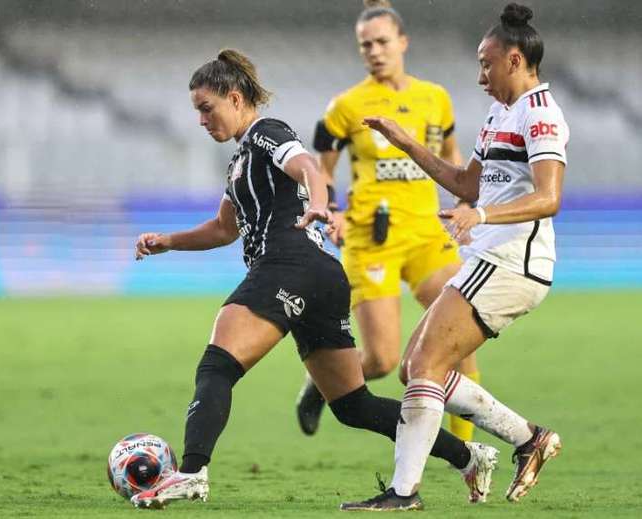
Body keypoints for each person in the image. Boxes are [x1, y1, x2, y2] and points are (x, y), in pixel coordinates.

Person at [130, 49, 498, 510]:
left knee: (217, 366)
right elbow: (224, 228)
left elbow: (306, 165)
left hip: (289, 264)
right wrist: (168, 241)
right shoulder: (239, 162)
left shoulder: (267, 132)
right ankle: (470, 457)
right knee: (353, 406)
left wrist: (320, 201)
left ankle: (191, 472)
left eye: (207, 108)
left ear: (235, 97)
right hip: (322, 277)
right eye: (197, 112)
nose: (202, 120)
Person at [341, 3, 567, 511]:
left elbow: (550, 197)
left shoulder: (541, 114)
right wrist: (405, 144)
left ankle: (405, 493)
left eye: (486, 63)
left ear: (514, 59)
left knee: (423, 363)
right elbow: (467, 183)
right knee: (412, 369)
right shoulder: (498, 114)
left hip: (514, 264)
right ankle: (529, 438)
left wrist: (481, 216)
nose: (480, 74)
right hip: (490, 259)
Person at [296, 0, 480, 443]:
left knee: (461, 341)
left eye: (382, 42)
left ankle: (469, 458)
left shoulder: (435, 98)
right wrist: (333, 212)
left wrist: (465, 205)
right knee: (380, 360)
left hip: (426, 236)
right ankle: (321, 386)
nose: (374, 51)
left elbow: (452, 158)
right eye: (365, 46)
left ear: (403, 42)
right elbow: (321, 169)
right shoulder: (345, 106)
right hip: (371, 239)